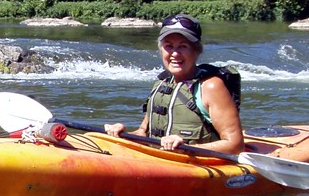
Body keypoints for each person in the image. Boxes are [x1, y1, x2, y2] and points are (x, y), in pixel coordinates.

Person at [105, 14, 245, 154]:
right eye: (169, 46)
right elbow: (143, 133)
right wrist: (122, 135)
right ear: (161, 50)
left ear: (196, 50)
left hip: (197, 166)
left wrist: (186, 148)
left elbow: (235, 145)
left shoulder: (211, 87)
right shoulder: (161, 83)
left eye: (183, 46)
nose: (175, 53)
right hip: (158, 161)